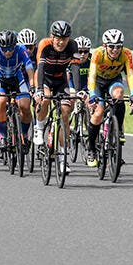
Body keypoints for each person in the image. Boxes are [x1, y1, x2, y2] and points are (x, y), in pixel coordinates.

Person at [32, 20, 82, 174]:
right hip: (44, 78)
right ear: (52, 36)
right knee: (46, 98)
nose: (61, 42)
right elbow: (40, 68)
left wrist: (78, 91)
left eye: (64, 39)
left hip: (61, 80)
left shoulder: (73, 45)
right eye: (58, 38)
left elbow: (75, 68)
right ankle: (39, 130)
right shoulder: (44, 44)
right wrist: (39, 89)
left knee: (65, 113)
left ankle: (62, 159)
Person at [85, 29, 133, 166]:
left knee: (119, 95)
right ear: (105, 46)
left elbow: (131, 75)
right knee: (98, 113)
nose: (115, 50)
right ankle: (91, 149)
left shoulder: (126, 54)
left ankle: (118, 130)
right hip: (97, 82)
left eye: (118, 46)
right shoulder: (98, 54)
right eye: (111, 46)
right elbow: (91, 76)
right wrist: (92, 95)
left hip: (113, 80)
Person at [0, 29, 37, 158]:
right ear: (0, 47)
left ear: (15, 45)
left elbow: (30, 69)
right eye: (4, 49)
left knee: (25, 106)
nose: (7, 52)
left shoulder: (21, 49)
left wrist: (32, 86)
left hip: (16, 79)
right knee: (1, 101)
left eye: (10, 48)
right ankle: (2, 136)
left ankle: (24, 135)